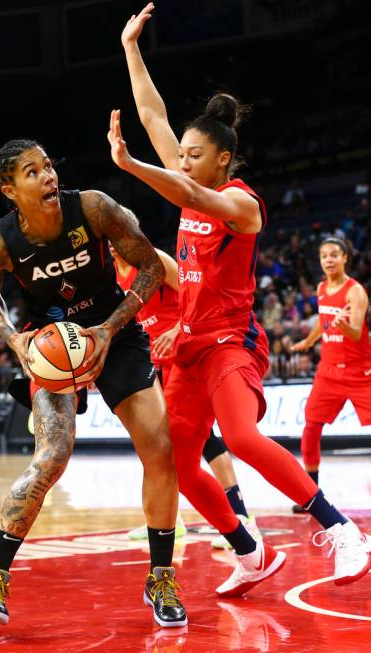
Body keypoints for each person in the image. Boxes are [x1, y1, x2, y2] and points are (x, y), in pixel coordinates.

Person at [108, 3, 370, 597]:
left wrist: (131, 165)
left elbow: (174, 180)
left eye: (193, 155)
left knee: (245, 438)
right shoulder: (190, 186)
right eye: (183, 155)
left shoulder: (240, 204)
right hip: (191, 346)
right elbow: (153, 115)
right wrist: (130, 48)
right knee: (172, 460)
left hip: (233, 341)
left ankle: (343, 529)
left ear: (222, 160)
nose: (184, 161)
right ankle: (250, 552)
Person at [0, 138, 187, 628]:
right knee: (52, 456)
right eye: (32, 171)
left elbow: (151, 267)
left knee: (160, 448)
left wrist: (109, 328)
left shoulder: (92, 208)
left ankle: (162, 576)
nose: (47, 175)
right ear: (10, 190)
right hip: (50, 347)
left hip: (116, 331)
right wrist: (16, 342)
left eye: (48, 165)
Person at [110, 207, 258, 548]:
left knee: (205, 440)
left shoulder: (156, 259)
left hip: (185, 357)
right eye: (111, 236)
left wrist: (177, 328)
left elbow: (198, 297)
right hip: (152, 364)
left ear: (135, 230)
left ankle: (242, 515)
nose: (116, 243)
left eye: (122, 233)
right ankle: (170, 519)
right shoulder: (113, 276)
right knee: (157, 444)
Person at [291, 237, 371, 509]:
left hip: (360, 372)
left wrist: (343, 324)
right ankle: (310, 494)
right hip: (328, 372)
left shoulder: (355, 291)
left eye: (335, 254)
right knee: (311, 427)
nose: (329, 259)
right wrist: (309, 341)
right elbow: (324, 321)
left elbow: (357, 332)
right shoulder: (322, 287)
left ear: (345, 257)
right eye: (324, 255)